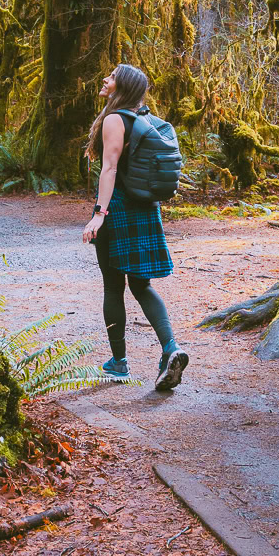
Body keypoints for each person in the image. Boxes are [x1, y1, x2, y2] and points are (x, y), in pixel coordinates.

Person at [82, 63, 189, 391]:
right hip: (147, 212)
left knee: (114, 288)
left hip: (120, 213)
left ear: (122, 86)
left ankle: (118, 363)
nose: (105, 79)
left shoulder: (116, 119)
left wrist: (100, 213)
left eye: (112, 77)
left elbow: (110, 169)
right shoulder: (147, 120)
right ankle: (171, 348)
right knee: (141, 287)